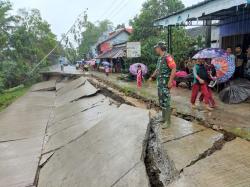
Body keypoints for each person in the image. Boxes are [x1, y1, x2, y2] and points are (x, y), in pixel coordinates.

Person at [149, 42, 176, 129]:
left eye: (156, 47)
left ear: (160, 48)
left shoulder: (168, 57)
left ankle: (168, 122)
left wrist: (170, 81)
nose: (155, 49)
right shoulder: (160, 58)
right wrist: (152, 77)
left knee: (166, 101)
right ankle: (164, 118)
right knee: (162, 101)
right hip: (160, 84)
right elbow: (157, 69)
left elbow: (174, 68)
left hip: (165, 83)